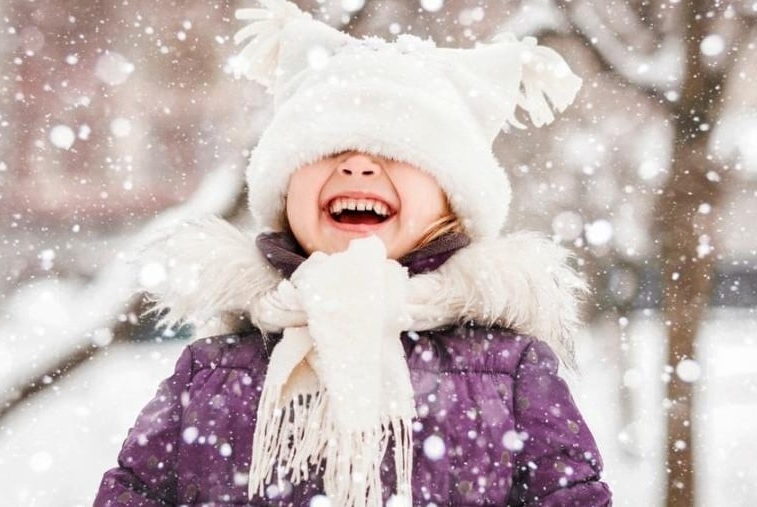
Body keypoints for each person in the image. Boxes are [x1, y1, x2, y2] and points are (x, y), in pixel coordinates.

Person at [93, 0, 613, 505]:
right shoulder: (211, 371)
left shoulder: (509, 371)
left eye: (395, 151)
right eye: (328, 149)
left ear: (453, 202)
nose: (358, 167)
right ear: (284, 193)